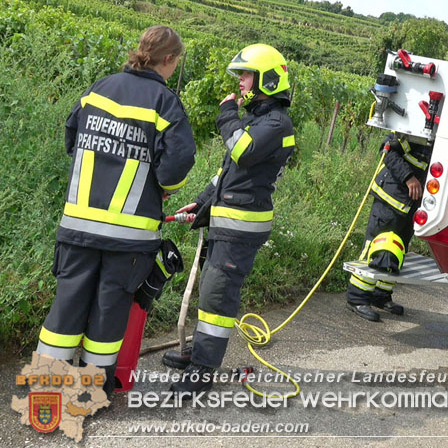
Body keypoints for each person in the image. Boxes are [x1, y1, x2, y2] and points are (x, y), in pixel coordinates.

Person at [36, 26, 196, 397]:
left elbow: (72, 137)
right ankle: (91, 392)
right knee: (109, 314)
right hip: (129, 238)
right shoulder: (165, 102)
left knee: (66, 306)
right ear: (169, 60)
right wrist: (165, 189)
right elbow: (176, 167)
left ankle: (45, 388)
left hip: (78, 228)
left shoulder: (99, 88)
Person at [166, 44, 295, 393]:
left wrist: (226, 114)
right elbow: (230, 173)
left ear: (267, 80)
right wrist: (201, 201)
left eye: (246, 75)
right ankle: (198, 354)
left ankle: (202, 370)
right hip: (226, 222)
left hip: (241, 228)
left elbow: (242, 151)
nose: (240, 82)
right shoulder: (258, 119)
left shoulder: (276, 124)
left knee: (218, 297)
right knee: (210, 293)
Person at [345, 133, 432, 321]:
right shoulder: (414, 130)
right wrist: (408, 177)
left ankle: (381, 295)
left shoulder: (437, 137)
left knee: (397, 251)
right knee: (374, 247)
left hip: (409, 207)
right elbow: (387, 150)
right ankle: (357, 298)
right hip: (390, 199)